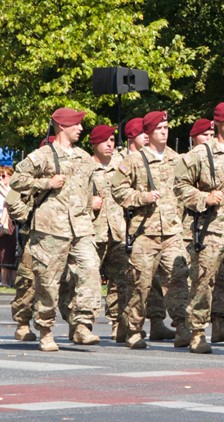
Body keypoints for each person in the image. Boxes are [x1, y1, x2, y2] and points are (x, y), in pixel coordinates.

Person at [10, 108, 102, 351]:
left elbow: (89, 190)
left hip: (81, 227)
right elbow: (17, 180)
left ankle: (82, 324)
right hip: (51, 228)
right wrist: (46, 183)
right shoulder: (43, 155)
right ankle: (45, 329)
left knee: (91, 269)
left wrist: (92, 205)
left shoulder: (84, 158)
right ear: (62, 126)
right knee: (47, 282)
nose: (81, 129)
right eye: (76, 125)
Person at [174, 102, 224, 353]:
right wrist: (203, 198)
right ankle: (197, 331)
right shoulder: (199, 153)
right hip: (210, 228)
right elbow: (180, 186)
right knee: (203, 281)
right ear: (217, 123)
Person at [111, 110, 190, 349]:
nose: (164, 133)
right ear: (148, 132)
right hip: (145, 233)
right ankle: (134, 329)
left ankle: (183, 326)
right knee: (140, 284)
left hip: (172, 232)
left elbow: (186, 188)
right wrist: (141, 197)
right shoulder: (134, 160)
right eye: (159, 129)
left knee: (178, 279)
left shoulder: (177, 159)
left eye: (166, 128)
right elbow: (117, 190)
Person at [88, 125, 132, 343]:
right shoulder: (85, 167)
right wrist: (89, 204)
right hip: (93, 233)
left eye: (113, 140)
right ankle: (84, 325)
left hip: (118, 231)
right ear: (94, 144)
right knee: (89, 281)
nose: (110, 144)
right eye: (105, 140)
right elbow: (70, 197)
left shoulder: (121, 166)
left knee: (122, 280)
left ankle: (119, 323)